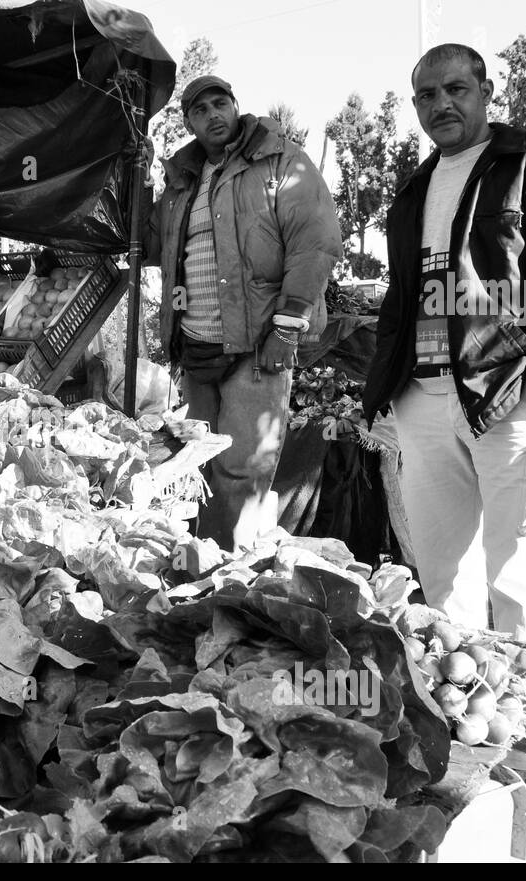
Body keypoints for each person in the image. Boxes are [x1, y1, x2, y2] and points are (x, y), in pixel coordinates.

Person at [362, 44, 526, 694]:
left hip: (508, 395)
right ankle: (470, 729)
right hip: (423, 400)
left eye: (455, 88)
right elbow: (405, 295)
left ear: (485, 90)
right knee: (447, 580)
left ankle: (524, 728)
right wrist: (388, 393)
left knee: (520, 577)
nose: (441, 103)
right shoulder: (416, 188)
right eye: (426, 94)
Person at [144, 75, 343, 551]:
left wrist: (287, 328)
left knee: (242, 470)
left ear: (235, 106)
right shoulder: (181, 183)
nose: (213, 114)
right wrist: (138, 179)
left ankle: (229, 575)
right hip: (196, 347)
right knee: (195, 468)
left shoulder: (281, 162)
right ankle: (199, 570)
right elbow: (151, 245)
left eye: (221, 103)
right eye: (200, 109)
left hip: (257, 346)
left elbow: (315, 246)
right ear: (189, 121)